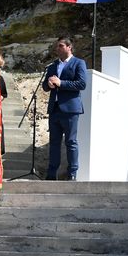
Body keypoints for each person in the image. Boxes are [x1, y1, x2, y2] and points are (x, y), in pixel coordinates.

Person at [42, 36, 87, 180]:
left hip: (70, 110)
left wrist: (61, 83)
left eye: (60, 46)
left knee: (71, 142)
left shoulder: (79, 63)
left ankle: (72, 173)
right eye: (57, 46)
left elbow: (81, 84)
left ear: (69, 47)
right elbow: (44, 86)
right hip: (54, 109)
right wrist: (48, 84)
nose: (57, 48)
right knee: (54, 142)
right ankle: (51, 174)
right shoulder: (53, 65)